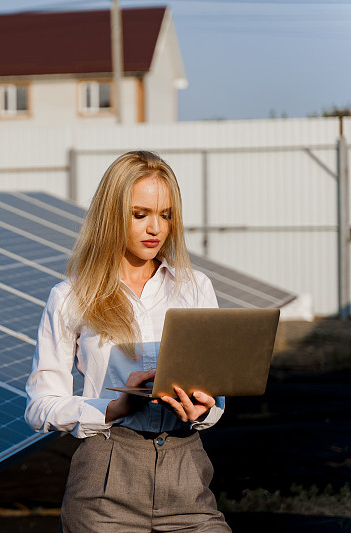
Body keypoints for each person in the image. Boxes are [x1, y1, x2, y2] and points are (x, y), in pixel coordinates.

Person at [25, 151, 231, 532]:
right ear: (111, 215)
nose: (155, 227)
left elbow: (215, 398)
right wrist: (114, 407)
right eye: (140, 215)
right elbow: (40, 406)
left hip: (186, 473)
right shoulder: (70, 297)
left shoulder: (195, 287)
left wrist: (201, 409)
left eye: (166, 215)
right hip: (106, 477)